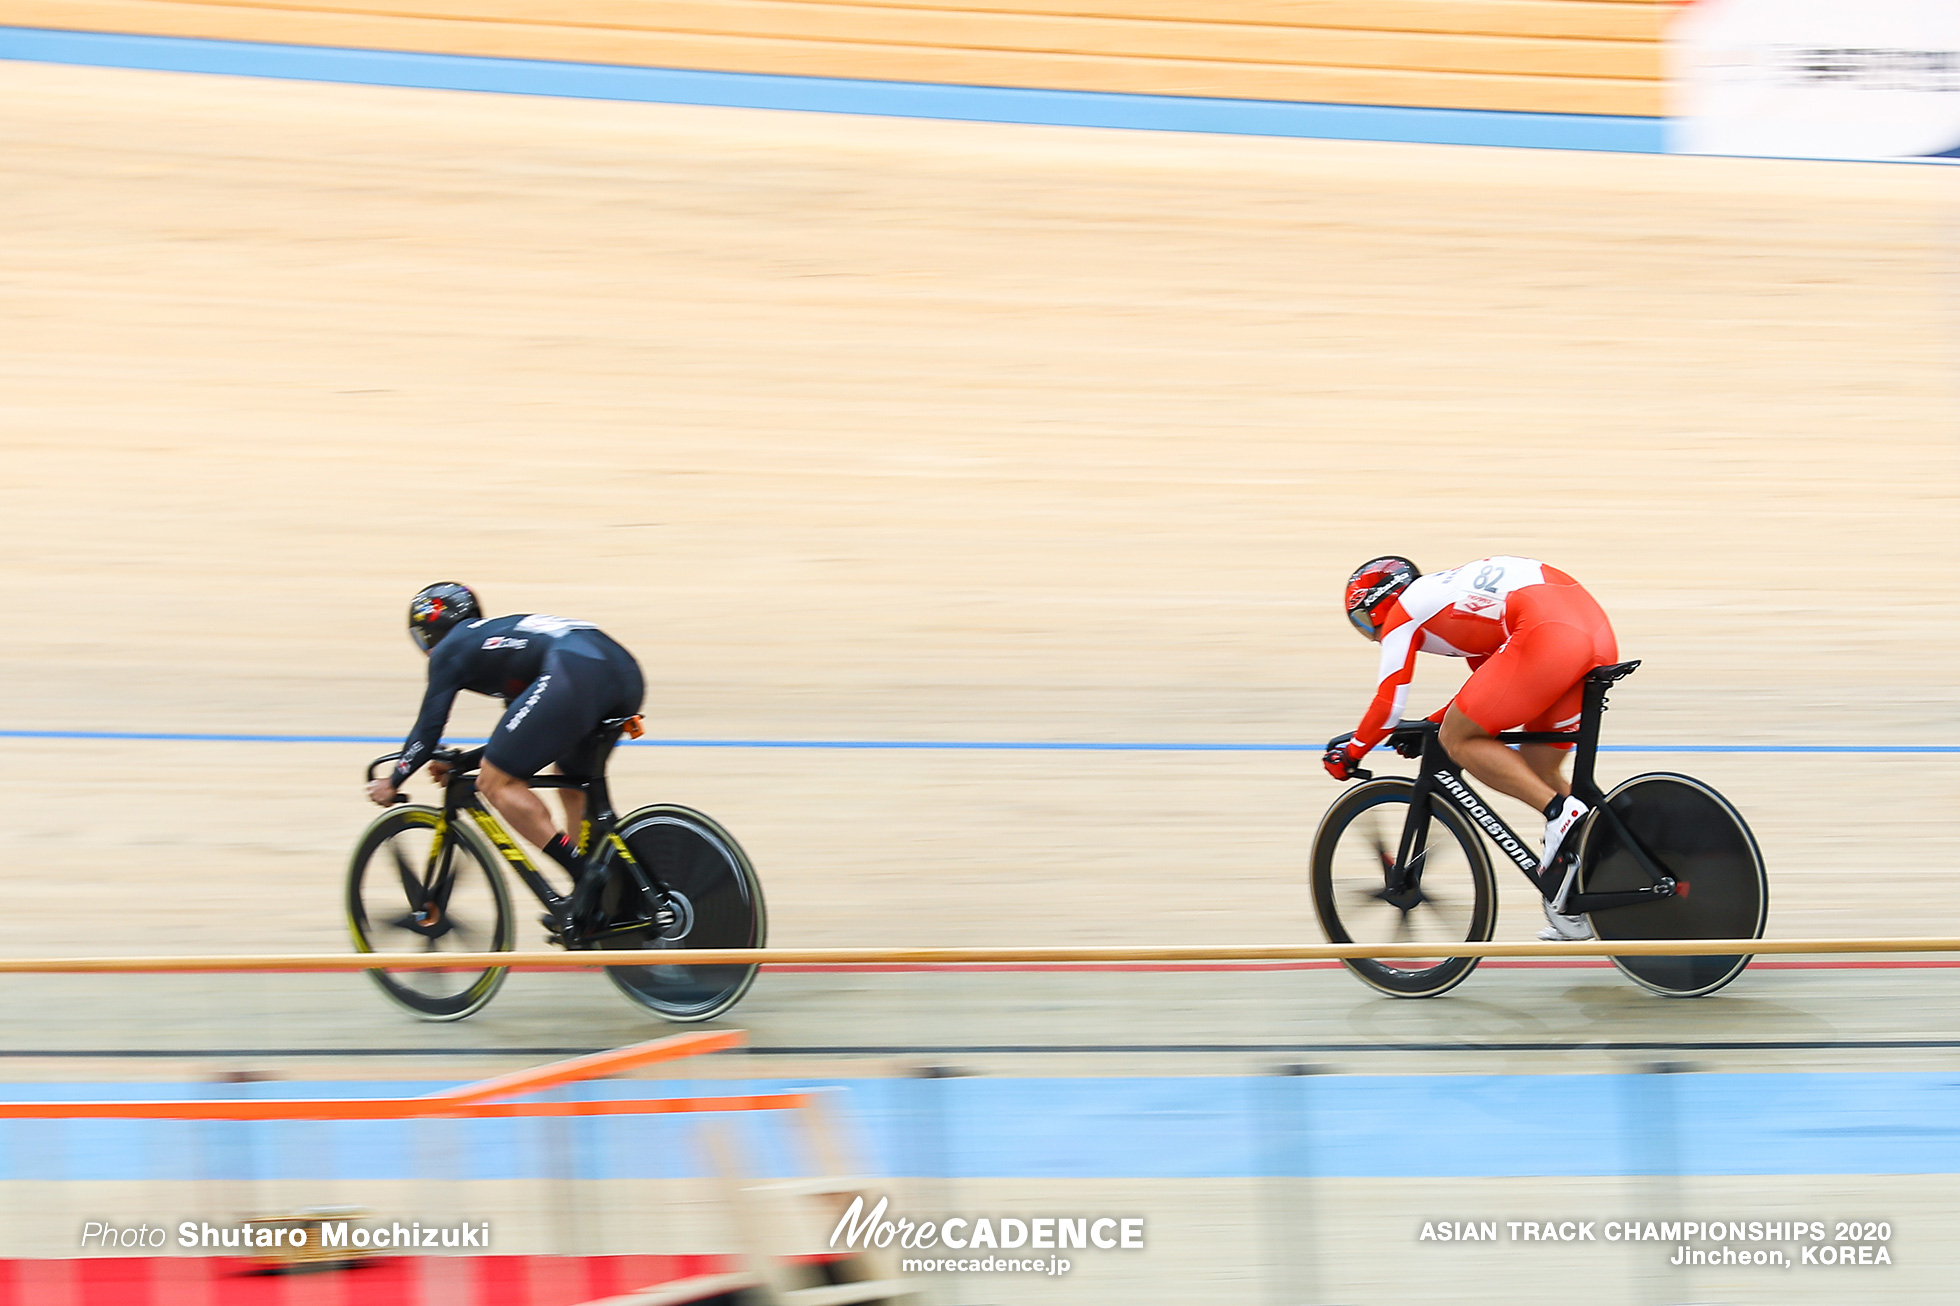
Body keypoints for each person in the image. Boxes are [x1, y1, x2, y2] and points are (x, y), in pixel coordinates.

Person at [1322, 556, 1618, 941]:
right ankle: (1589, 875)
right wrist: (1428, 722)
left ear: (1380, 602)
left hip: (1549, 632)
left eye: (1363, 621)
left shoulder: (1404, 609)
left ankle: (1560, 814)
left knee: (1458, 739)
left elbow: (1388, 705)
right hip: (1592, 634)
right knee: (1536, 768)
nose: (1371, 633)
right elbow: (1492, 689)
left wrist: (1353, 752)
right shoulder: (1452, 601)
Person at [365, 584, 645, 899]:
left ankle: (585, 875)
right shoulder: (502, 641)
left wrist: (394, 779)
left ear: (429, 634)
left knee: (495, 784)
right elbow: (525, 743)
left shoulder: (449, 648)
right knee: (570, 779)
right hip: (622, 672)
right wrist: (464, 761)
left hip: (574, 673)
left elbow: (428, 729)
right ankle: (607, 896)